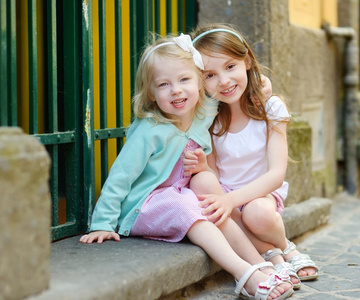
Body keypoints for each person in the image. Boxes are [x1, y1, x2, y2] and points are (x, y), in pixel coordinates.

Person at [79, 34, 294, 300]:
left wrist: (261, 86)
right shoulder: (150, 131)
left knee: (209, 201)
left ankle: (259, 264)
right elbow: (120, 177)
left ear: (199, 84)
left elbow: (227, 91)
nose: (176, 90)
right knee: (192, 209)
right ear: (151, 93)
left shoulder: (202, 115)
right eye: (164, 84)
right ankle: (244, 274)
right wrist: (102, 223)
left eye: (184, 80)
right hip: (146, 206)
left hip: (179, 195)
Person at [183, 24, 319, 289]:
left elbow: (276, 175)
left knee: (255, 214)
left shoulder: (271, 108)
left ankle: (283, 245)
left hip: (262, 195)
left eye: (230, 66)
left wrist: (230, 199)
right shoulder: (208, 121)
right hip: (228, 198)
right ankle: (275, 256)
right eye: (210, 74)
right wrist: (204, 169)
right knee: (215, 205)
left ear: (247, 60)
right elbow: (215, 176)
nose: (223, 81)